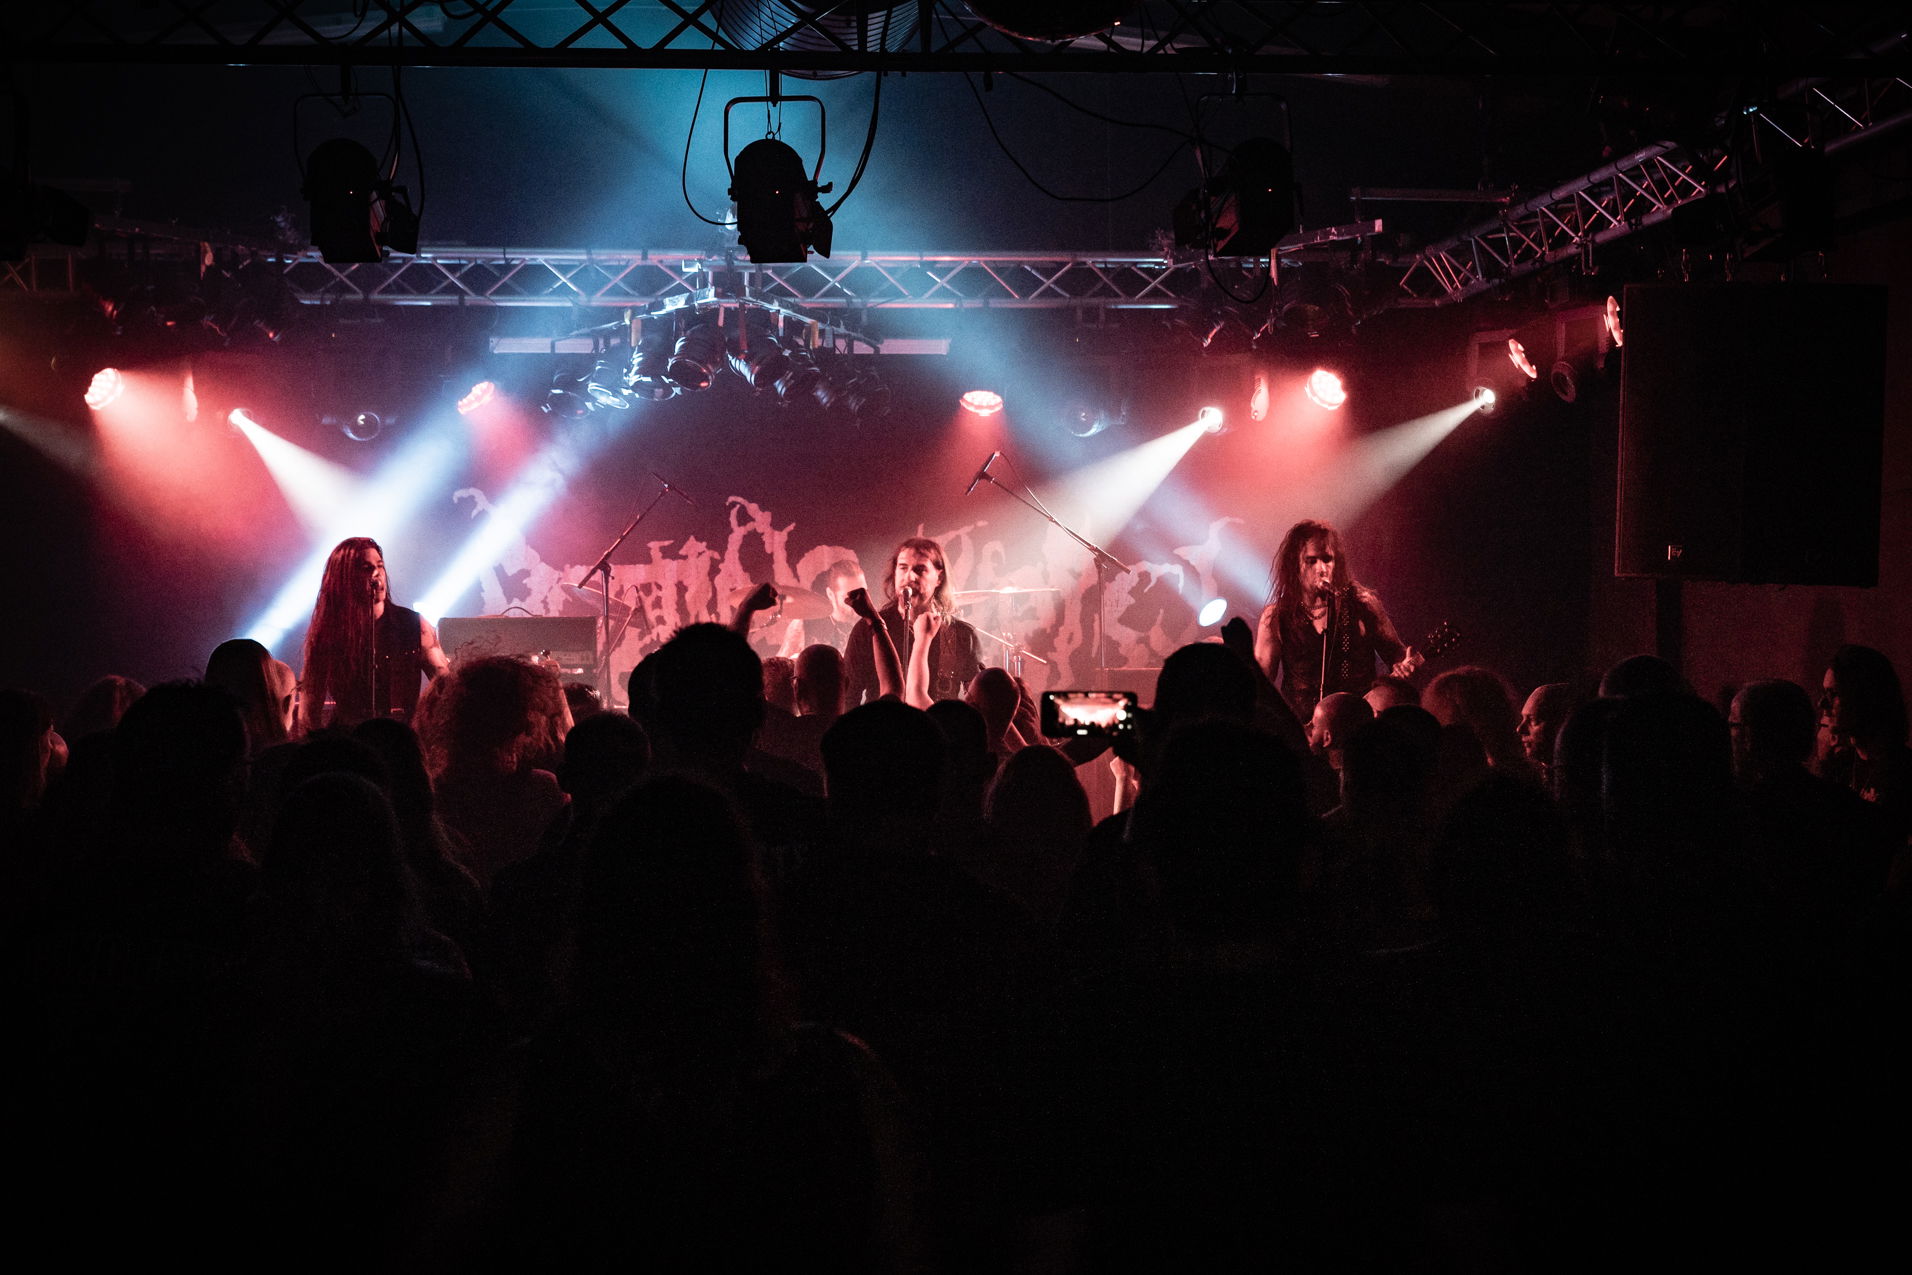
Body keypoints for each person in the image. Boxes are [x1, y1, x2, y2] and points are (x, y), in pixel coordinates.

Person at [1254, 519, 1414, 721]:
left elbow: (1397, 655)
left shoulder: (1363, 605)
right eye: (1311, 561)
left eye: (1327, 559)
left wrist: (1405, 665)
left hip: (1358, 724)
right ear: (1295, 565)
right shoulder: (1277, 616)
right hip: (1304, 730)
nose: (1321, 569)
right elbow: (1260, 681)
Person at [298, 537, 449, 731]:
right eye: (366, 568)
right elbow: (310, 704)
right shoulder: (329, 633)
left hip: (401, 739)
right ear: (346, 578)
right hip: (349, 742)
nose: (377, 573)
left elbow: (445, 685)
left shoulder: (414, 625)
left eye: (380, 566)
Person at [844, 536, 983, 708]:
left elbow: (978, 703)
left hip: (935, 732)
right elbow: (849, 696)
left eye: (920, 569)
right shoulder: (868, 628)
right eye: (903, 568)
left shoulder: (961, 635)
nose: (910, 577)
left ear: (939, 578)